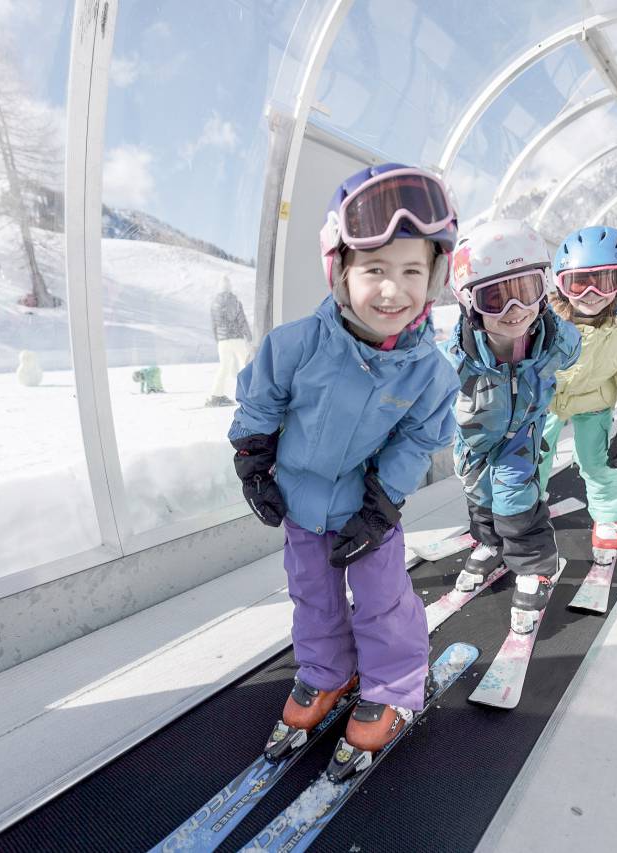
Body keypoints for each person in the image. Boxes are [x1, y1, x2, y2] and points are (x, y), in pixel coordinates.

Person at [228, 164, 459, 764]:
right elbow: (262, 397)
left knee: (383, 597)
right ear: (341, 272)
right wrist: (253, 458)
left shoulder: (429, 372)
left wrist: (383, 505)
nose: (393, 290)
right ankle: (327, 671)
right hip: (302, 503)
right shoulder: (297, 343)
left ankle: (395, 685)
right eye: (375, 270)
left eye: (413, 271)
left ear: (434, 278)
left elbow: (416, 439)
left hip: (366, 510)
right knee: (312, 594)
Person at [444, 219, 580, 634]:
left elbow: (572, 354)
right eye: (495, 298)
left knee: (515, 498)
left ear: (545, 290)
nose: (514, 310)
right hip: (472, 439)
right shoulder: (455, 358)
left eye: (526, 291)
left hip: (520, 432)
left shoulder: (556, 340)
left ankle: (535, 565)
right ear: (468, 303)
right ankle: (488, 542)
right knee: (477, 492)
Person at [538, 225, 617, 569]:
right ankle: (526, 511)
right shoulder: (546, 318)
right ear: (560, 284)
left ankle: (610, 517)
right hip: (547, 398)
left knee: (596, 461)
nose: (590, 293)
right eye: (578, 282)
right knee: (532, 460)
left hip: (595, 400)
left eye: (604, 281)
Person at [207, 275, 252, 407]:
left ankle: (216, 395)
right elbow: (242, 320)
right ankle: (251, 394)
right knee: (247, 364)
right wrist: (249, 338)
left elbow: (213, 324)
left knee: (224, 367)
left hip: (223, 341)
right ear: (229, 286)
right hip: (236, 338)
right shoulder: (234, 300)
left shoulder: (214, 303)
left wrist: (219, 339)